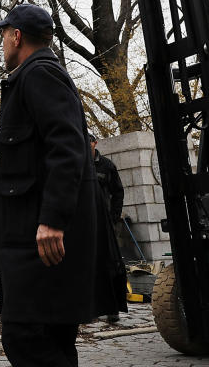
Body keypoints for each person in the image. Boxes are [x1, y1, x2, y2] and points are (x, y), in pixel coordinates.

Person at [0, 4, 119, 367]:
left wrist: (53, 219)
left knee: (26, 337)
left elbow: (67, 148)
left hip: (40, 236)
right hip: (35, 236)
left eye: (4, 35)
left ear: (17, 36)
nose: (2, 43)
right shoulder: (34, 75)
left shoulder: (40, 74)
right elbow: (31, 146)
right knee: (50, 336)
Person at [90, 134, 125, 323]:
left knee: (111, 264)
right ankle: (92, 307)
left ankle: (113, 308)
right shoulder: (78, 163)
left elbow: (118, 192)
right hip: (87, 223)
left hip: (106, 223)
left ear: (95, 143)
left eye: (89, 142)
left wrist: (114, 217)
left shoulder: (107, 165)